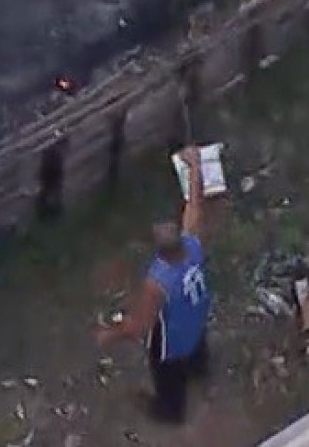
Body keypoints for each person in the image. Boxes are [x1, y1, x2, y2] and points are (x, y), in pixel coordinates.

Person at [96, 146, 212, 424]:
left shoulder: (158, 282)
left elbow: (140, 326)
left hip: (172, 346)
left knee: (170, 396)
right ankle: (201, 376)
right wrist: (194, 166)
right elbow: (195, 207)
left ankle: (166, 412)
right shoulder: (193, 247)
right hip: (196, 324)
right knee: (198, 362)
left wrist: (109, 335)